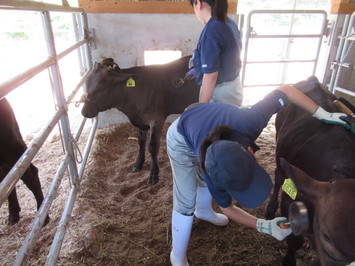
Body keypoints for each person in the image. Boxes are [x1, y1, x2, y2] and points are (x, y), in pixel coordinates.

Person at [166, 84, 351, 266]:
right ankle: (177, 255)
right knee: (186, 197)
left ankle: (204, 211)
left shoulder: (251, 120)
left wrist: (322, 114)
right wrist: (264, 226)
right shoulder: (211, 168)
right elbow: (227, 208)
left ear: (249, 151)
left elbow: (286, 89)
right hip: (181, 136)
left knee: (204, 184)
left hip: (202, 119)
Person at [188, 0, 243, 106]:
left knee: (209, 120)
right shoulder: (228, 22)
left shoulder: (212, 30)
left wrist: (202, 106)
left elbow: (210, 76)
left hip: (219, 93)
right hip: (234, 87)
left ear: (199, 4)